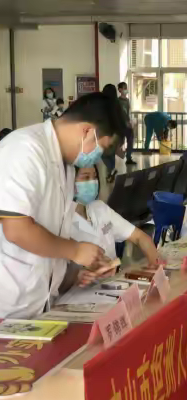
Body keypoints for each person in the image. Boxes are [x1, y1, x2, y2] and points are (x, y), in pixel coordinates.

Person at [0, 91, 127, 319]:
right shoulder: (25, 149)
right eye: (100, 148)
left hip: (41, 304)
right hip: (9, 306)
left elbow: (51, 236)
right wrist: (75, 250)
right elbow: (17, 229)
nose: (96, 158)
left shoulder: (66, 166)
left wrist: (76, 270)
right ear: (87, 130)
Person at [69, 165, 161, 286]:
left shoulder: (99, 208)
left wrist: (155, 265)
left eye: (95, 177)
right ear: (69, 181)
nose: (92, 182)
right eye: (85, 177)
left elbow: (140, 237)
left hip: (111, 284)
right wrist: (85, 272)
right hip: (80, 294)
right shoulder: (62, 220)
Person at [101, 84, 123, 183]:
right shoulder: (117, 103)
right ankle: (111, 172)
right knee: (111, 154)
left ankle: (111, 170)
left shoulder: (102, 104)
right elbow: (121, 118)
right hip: (116, 133)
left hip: (105, 133)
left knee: (103, 154)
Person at [118, 82, 136, 165]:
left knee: (130, 140)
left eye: (126, 88)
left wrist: (131, 121)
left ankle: (129, 158)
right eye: (124, 88)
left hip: (128, 124)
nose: (126, 89)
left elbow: (129, 112)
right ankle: (119, 154)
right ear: (120, 90)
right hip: (121, 125)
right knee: (120, 142)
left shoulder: (127, 100)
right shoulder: (118, 101)